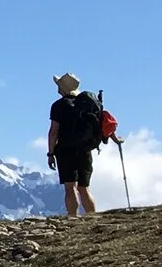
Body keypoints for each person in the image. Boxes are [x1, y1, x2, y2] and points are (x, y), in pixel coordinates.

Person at [46, 72, 121, 217]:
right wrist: (116, 139)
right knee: (84, 188)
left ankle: (73, 218)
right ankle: (92, 218)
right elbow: (104, 123)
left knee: (70, 187)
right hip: (86, 149)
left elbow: (53, 132)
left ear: (62, 88)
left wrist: (50, 153)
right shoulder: (89, 103)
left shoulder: (58, 106)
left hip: (65, 150)